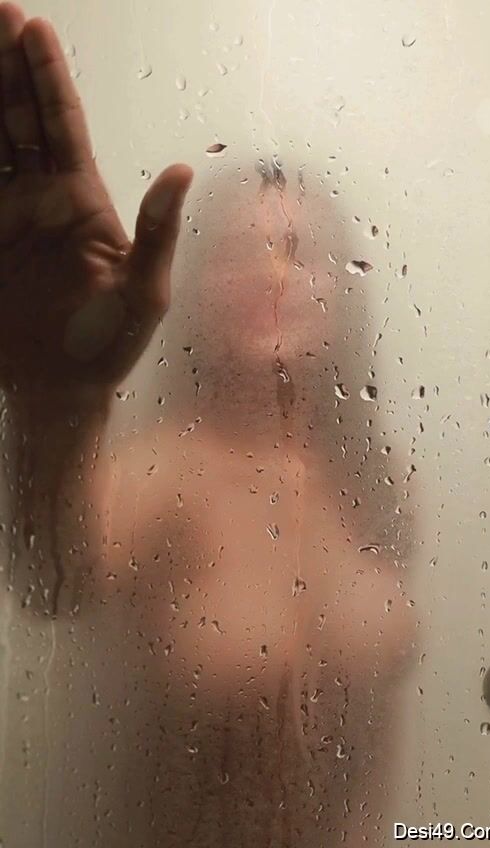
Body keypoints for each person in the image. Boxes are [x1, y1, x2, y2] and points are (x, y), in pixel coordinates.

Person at [0, 3, 417, 845]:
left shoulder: (374, 477)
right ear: (193, 286)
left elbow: (370, 753)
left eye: (301, 250)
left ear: (347, 286)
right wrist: (57, 399)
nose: (274, 275)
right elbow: (53, 580)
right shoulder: (164, 471)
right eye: (239, 250)